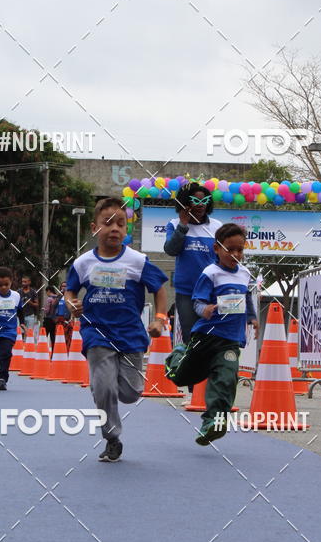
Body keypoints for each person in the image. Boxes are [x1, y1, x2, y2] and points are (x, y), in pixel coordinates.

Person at [66, 197, 168, 462]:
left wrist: (159, 319)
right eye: (108, 223)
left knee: (131, 393)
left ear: (126, 229)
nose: (115, 229)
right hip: (96, 333)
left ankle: (120, 395)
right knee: (103, 388)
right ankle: (112, 438)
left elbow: (159, 288)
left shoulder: (138, 260)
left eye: (121, 224)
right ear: (94, 228)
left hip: (130, 334)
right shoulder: (83, 263)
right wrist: (72, 304)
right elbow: (70, 291)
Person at [165, 223, 258, 446]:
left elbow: (246, 298)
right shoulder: (210, 273)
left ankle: (213, 422)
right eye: (230, 249)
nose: (235, 254)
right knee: (183, 377)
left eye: (240, 250)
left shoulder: (244, 274)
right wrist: (204, 309)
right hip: (206, 336)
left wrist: (252, 317)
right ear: (217, 248)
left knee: (226, 379)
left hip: (230, 340)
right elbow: (197, 301)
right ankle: (177, 356)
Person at [163, 181, 222, 345]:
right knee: (191, 337)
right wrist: (183, 225)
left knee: (212, 337)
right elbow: (171, 250)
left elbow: (223, 257)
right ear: (185, 203)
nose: (201, 205)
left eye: (204, 201)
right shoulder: (174, 224)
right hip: (186, 293)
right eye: (196, 201)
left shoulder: (217, 226)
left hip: (211, 291)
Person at [18, 274, 39, 340]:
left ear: (29, 282)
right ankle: (21, 345)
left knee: (29, 333)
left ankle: (28, 345)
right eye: (22, 282)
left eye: (25, 282)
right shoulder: (18, 292)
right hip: (20, 316)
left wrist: (30, 302)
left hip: (30, 315)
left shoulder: (33, 292)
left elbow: (37, 304)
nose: (23, 283)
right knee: (20, 333)